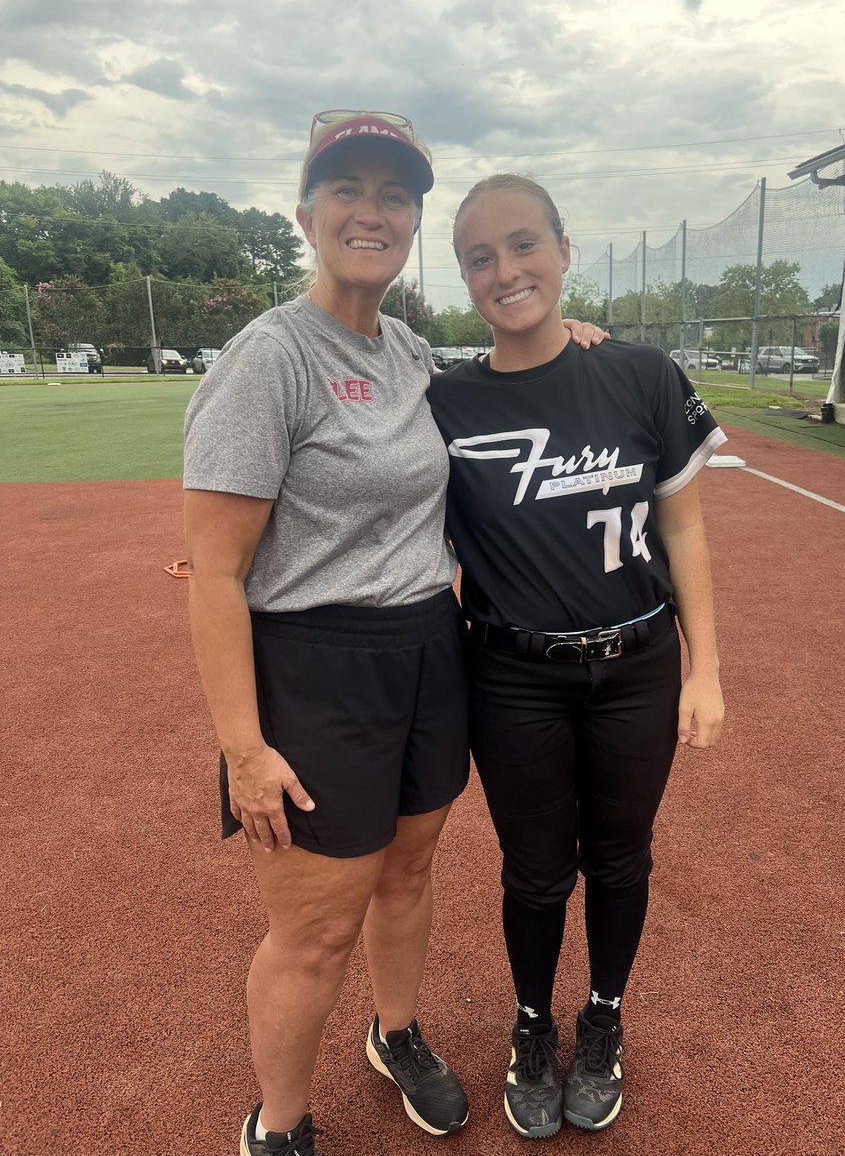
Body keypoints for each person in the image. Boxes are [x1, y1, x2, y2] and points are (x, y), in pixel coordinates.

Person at [183, 115, 604, 1156]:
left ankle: (396, 1031)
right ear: (306, 213)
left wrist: (573, 342)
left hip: (430, 647)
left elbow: (503, 374)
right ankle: (278, 1126)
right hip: (317, 669)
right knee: (315, 928)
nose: (372, 212)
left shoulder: (409, 348)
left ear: (412, 220)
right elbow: (218, 574)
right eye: (347, 190)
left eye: (395, 195)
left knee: (411, 871)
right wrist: (243, 748)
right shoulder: (270, 358)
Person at [426, 174, 726, 1140]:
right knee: (534, 868)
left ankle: (602, 1017)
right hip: (512, 675)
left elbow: (684, 531)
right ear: (465, 276)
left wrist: (706, 667)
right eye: (481, 257)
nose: (505, 270)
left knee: (622, 858)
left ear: (563, 251)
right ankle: (529, 1024)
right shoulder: (447, 404)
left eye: (524, 246)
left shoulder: (639, 373)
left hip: (636, 663)